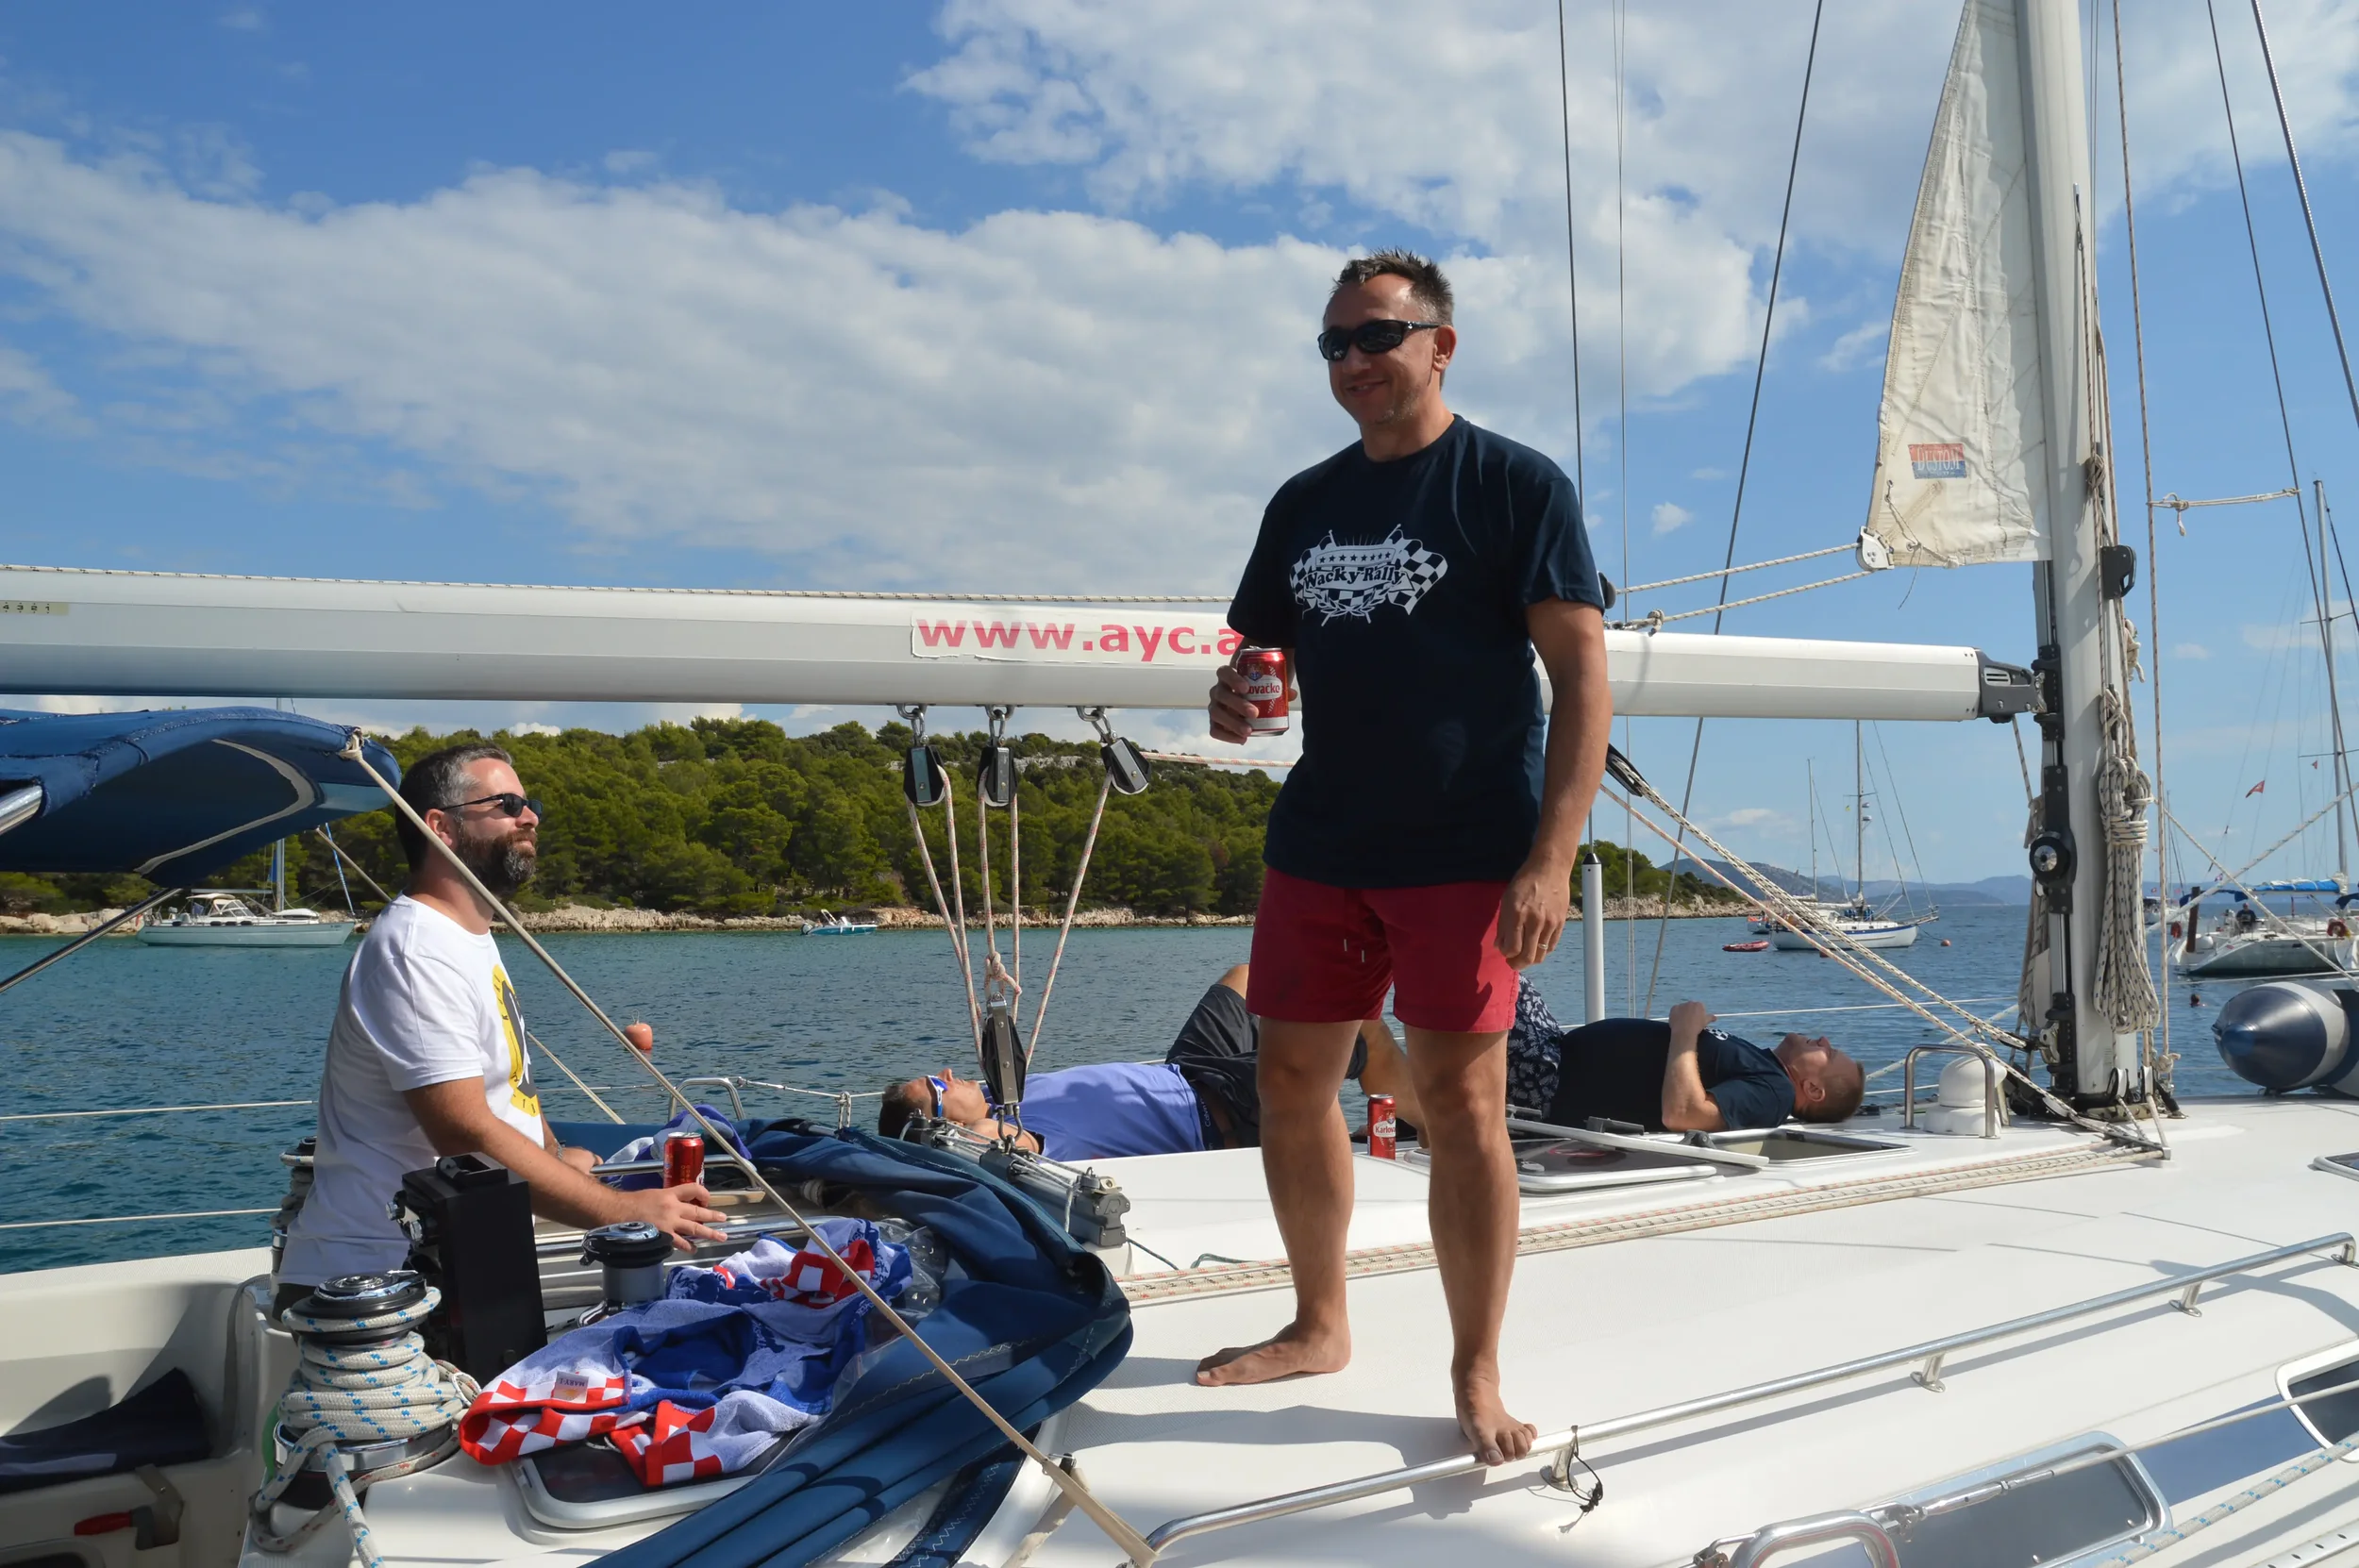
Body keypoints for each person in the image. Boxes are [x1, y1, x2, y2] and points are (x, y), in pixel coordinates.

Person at [1202, 249, 1613, 1465]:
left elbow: (1580, 678)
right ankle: (1319, 1322)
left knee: (1460, 1105)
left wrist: (1551, 856)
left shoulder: (1512, 486)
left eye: (1375, 336)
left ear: (1441, 343)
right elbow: (1259, 664)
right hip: (1324, 838)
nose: (1352, 363)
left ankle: (1474, 1370)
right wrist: (1237, 703)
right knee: (1287, 1081)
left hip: (1464, 848)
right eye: (1332, 344)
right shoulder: (1303, 502)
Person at [277, 743, 726, 1313]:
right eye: (508, 804)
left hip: (458, 1255)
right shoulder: (416, 949)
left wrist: (561, 1158)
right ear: (440, 826)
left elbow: (507, 1092)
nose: (530, 816)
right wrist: (627, 1210)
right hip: (381, 1282)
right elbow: (464, 1134)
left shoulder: (465, 937)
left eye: (528, 802)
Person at [876, 965, 1408, 1160]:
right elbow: (973, 1148)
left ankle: (1314, 1033)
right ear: (948, 1128)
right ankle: (1423, 1125)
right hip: (1220, 1111)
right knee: (1364, 1032)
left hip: (1189, 1069)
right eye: (937, 1086)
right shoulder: (1011, 1131)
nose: (946, 1073)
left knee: (1247, 977)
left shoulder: (999, 1090)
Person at [1366, 978, 1865, 1136]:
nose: (1822, 1040)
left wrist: (1685, 1033)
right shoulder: (1764, 1066)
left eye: (1829, 1052)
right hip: (1554, 1054)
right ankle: (1366, 1031)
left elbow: (1685, 1113)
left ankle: (1361, 1009)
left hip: (1550, 1083)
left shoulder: (1774, 1093)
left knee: (1480, 965)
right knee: (1490, 964)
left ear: (1813, 1091)